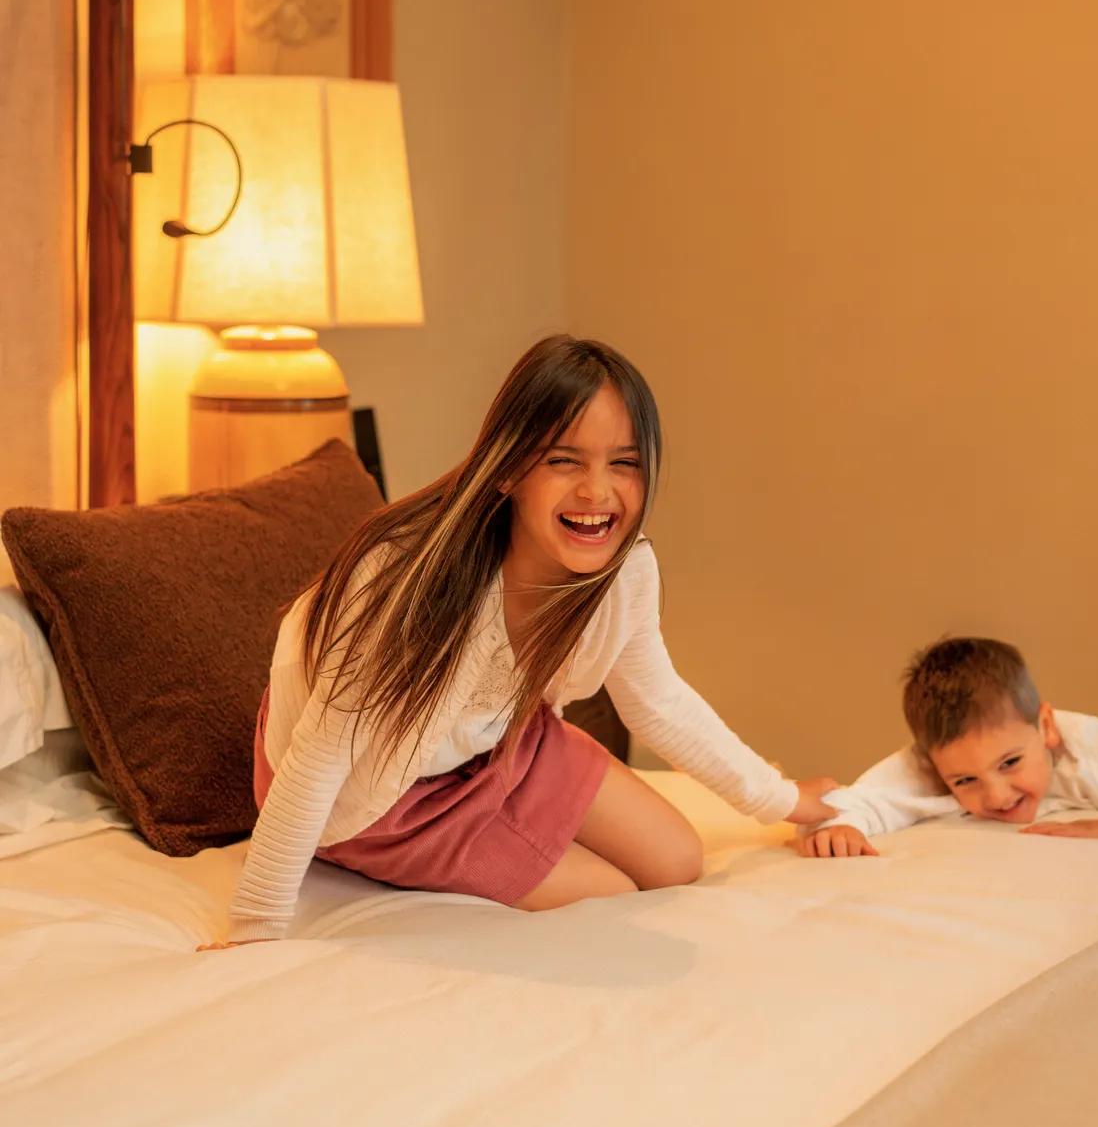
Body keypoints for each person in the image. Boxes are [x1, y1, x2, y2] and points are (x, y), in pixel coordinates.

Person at [204, 336, 836, 945]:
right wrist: (256, 926)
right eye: (564, 461)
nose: (597, 492)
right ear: (507, 470)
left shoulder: (625, 569)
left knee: (675, 860)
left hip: (496, 739)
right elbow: (320, 755)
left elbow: (656, 698)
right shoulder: (410, 583)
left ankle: (513, 808)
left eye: (624, 463)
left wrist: (783, 801)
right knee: (611, 889)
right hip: (378, 789)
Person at [799, 634, 1098, 858]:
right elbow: (861, 800)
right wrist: (842, 827)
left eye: (1010, 763)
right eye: (964, 781)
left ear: (1045, 726)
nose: (996, 795)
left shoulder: (1087, 746)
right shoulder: (930, 761)